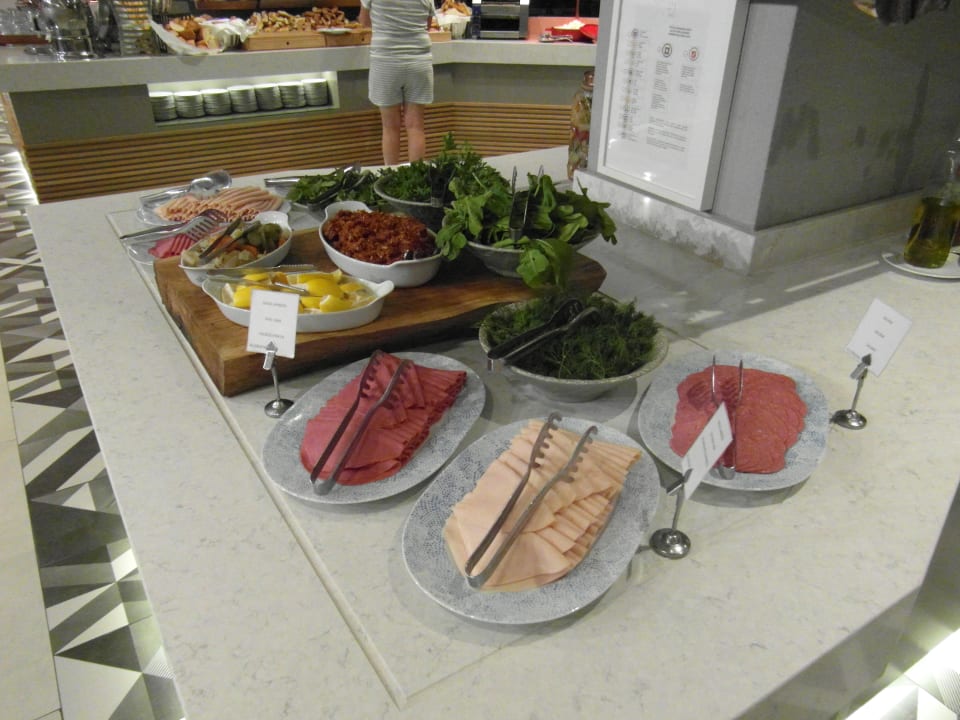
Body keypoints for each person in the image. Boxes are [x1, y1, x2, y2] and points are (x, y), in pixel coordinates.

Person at [358, 0, 436, 165]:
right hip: (419, 60)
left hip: (386, 60)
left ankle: (390, 176)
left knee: (390, 127)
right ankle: (417, 176)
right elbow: (427, 24)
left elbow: (364, 21)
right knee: (415, 126)